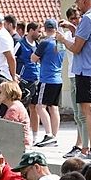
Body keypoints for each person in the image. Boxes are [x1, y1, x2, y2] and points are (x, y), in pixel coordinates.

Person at [61, 0, 91, 160]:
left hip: (85, 69)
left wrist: (63, 39)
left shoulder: (88, 18)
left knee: (88, 111)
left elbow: (76, 47)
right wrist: (73, 28)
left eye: (78, 2)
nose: (77, 7)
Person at [31, 19, 65, 147]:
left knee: (40, 106)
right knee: (53, 107)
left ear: (45, 28)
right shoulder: (60, 44)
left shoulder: (44, 43)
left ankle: (48, 134)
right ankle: (54, 136)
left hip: (47, 79)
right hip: (58, 79)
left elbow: (33, 58)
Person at [0, 81, 30, 148]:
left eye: (0, 92)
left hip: (18, 144)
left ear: (8, 93)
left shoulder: (13, 109)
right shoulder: (17, 104)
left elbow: (8, 128)